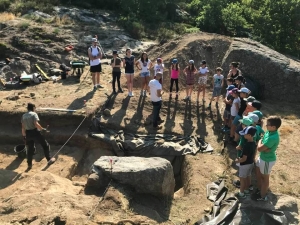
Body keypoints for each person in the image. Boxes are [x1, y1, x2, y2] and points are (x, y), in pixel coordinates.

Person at [255, 116, 282, 201]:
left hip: (267, 160)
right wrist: (262, 144)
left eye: (268, 124)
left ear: (274, 127)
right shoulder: (269, 132)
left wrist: (259, 142)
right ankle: (259, 189)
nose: (266, 125)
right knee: (258, 173)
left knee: (265, 179)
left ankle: (262, 196)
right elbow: (263, 141)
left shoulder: (272, 138)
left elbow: (259, 148)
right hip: (262, 157)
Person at [21, 103, 55, 169]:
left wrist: (24, 136)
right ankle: (49, 160)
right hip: (35, 132)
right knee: (45, 145)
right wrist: (42, 129)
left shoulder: (23, 116)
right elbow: (36, 123)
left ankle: (29, 164)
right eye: (35, 108)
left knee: (30, 149)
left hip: (28, 133)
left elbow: (23, 127)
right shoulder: (34, 114)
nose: (35, 109)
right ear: (33, 108)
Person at [235, 126, 257, 199]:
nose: (243, 135)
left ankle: (241, 193)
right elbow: (253, 154)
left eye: (244, 134)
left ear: (249, 135)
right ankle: (247, 190)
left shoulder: (246, 145)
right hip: (250, 163)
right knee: (248, 176)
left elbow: (244, 159)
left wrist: (238, 160)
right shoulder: (254, 143)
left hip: (244, 165)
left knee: (242, 179)